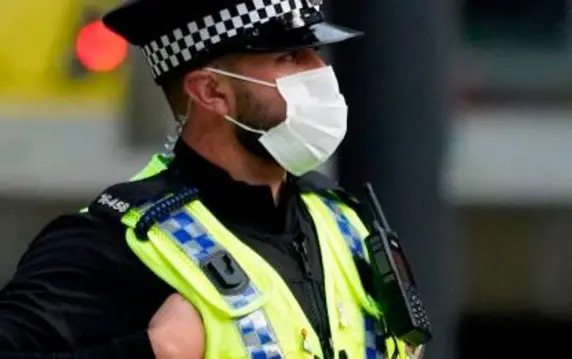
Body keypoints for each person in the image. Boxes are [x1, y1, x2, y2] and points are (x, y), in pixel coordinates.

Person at [0, 0, 421, 358]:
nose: (319, 70)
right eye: (290, 57)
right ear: (211, 92)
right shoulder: (112, 243)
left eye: (314, 51)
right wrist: (151, 351)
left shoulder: (346, 224)